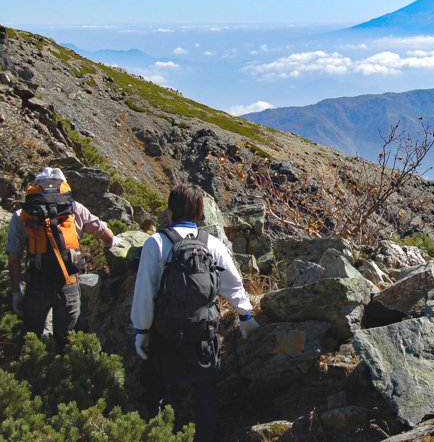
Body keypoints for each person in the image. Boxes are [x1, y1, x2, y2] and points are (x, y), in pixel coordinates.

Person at [131, 183, 259, 442]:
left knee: (153, 393)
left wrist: (142, 332)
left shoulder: (156, 243)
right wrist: (245, 316)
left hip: (165, 336)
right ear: (200, 213)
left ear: (170, 211)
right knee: (206, 402)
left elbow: (144, 293)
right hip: (203, 337)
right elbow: (233, 285)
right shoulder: (211, 244)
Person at [6, 167, 122, 353]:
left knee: (33, 341)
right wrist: (112, 250)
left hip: (37, 284)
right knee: (66, 342)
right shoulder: (74, 209)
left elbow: (14, 257)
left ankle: (35, 376)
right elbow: (106, 235)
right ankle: (61, 374)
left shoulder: (22, 215)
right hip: (68, 284)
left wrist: (15, 292)